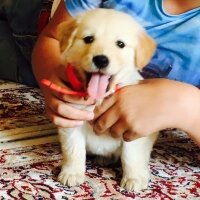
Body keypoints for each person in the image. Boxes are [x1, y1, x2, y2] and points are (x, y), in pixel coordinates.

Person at [1, 0, 200, 146]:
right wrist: (54, 77)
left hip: (24, 68)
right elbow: (53, 37)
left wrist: (190, 109)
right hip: (39, 23)